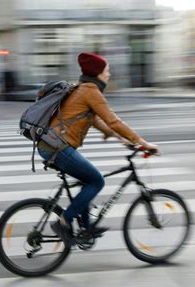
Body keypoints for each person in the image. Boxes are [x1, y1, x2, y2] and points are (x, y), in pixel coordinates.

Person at [37, 52, 160, 241]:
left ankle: (85, 230)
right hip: (57, 147)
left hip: (51, 145)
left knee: (88, 181)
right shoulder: (90, 91)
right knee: (96, 181)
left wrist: (120, 138)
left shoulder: (82, 89)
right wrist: (142, 143)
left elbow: (94, 119)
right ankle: (64, 221)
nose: (109, 74)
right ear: (98, 73)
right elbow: (114, 121)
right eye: (106, 70)